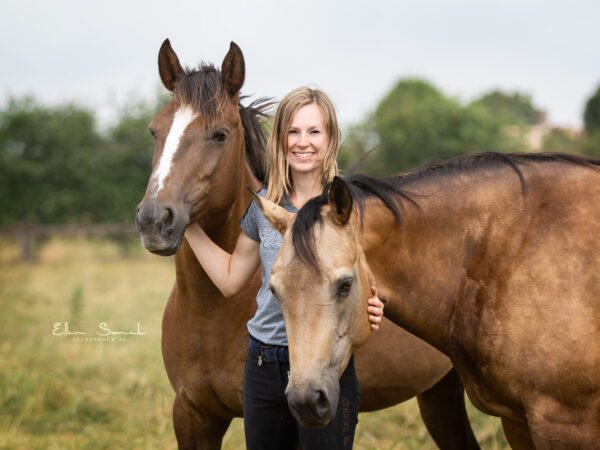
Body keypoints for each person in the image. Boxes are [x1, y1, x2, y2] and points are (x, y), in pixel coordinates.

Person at [185, 87, 384, 450]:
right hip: (263, 366)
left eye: (314, 131)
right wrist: (187, 225)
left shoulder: (350, 208)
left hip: (324, 365)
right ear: (280, 139)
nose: (302, 142)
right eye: (293, 132)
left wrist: (375, 303)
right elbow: (230, 278)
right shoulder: (265, 208)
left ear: (330, 138)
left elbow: (369, 278)